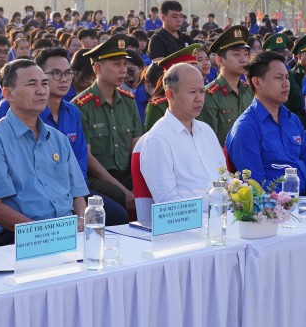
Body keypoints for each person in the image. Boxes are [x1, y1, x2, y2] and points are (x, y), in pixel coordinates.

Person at [0, 59, 89, 246]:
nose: (41, 91)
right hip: (23, 238)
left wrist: (82, 222)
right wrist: (46, 235)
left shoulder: (58, 139)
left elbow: (77, 194)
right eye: (32, 84)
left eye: (44, 83)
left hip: (68, 233)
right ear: (8, 93)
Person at [225, 50, 306, 194]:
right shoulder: (246, 128)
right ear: (257, 82)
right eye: (279, 78)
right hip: (277, 209)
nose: (286, 84)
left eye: (286, 77)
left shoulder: (292, 120)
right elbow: (256, 185)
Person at [73, 34, 143, 216]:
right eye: (116, 64)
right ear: (98, 67)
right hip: (97, 177)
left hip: (127, 172)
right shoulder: (80, 106)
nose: (124, 70)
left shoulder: (128, 101)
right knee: (120, 201)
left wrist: (137, 185)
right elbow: (88, 158)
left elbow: (136, 146)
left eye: (125, 64)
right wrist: (125, 190)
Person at [137, 63, 227, 203]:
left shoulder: (206, 131)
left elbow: (224, 178)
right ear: (170, 95)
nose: (199, 98)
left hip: (223, 214)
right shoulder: (158, 139)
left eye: (202, 91)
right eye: (192, 92)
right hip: (191, 221)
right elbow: (167, 202)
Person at [198, 25, 254, 147]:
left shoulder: (249, 91)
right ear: (220, 61)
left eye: (245, 54)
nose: (243, 59)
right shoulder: (209, 95)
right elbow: (208, 143)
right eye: (236, 54)